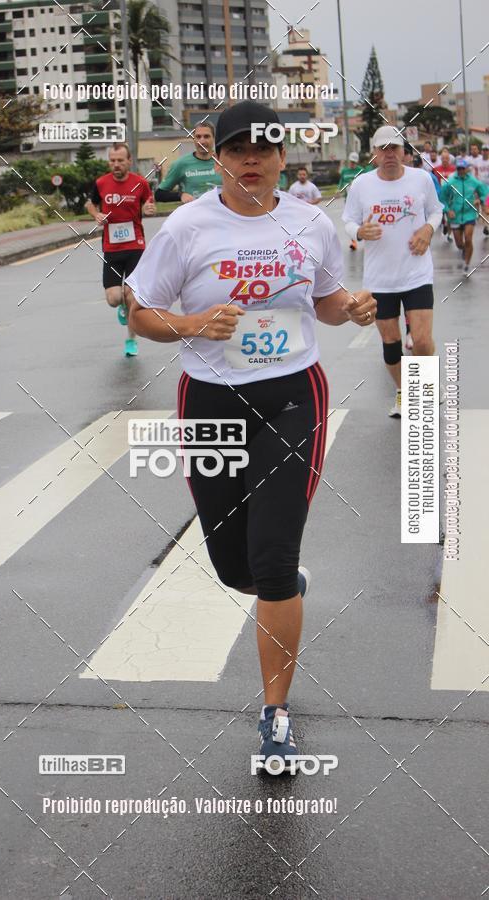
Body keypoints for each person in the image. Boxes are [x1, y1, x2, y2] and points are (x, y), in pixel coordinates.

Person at [125, 100, 376, 774]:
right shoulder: (186, 228)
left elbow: (324, 300)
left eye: (264, 150)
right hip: (210, 400)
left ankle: (275, 717)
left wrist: (349, 309)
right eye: (239, 150)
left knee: (267, 563)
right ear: (219, 157)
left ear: (281, 159)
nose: (252, 162)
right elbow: (142, 313)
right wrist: (193, 323)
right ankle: (283, 583)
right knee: (236, 568)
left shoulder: (310, 222)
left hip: (293, 395)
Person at [343, 125, 444, 418]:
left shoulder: (421, 179)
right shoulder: (362, 185)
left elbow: (436, 211)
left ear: (403, 151)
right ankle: (403, 392)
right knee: (391, 342)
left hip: (417, 273)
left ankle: (425, 389)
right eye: (383, 149)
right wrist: (359, 231)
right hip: (380, 279)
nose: (389, 154)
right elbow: (348, 220)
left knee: (422, 340)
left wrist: (428, 228)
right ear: (374, 153)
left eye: (394, 148)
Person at [86, 143, 156, 357]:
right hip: (111, 248)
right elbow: (90, 203)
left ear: (129, 161)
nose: (116, 164)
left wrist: (148, 208)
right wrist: (95, 214)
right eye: (112, 160)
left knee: (132, 296)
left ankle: (130, 340)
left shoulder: (140, 183)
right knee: (115, 298)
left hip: (136, 247)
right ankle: (122, 307)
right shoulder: (101, 183)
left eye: (120, 160)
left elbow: (149, 202)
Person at [440, 157, 489, 273]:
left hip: (469, 214)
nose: (461, 170)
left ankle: (467, 264)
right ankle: (463, 250)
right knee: (459, 243)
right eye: (459, 168)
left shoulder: (473, 181)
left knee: (468, 239)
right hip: (455, 216)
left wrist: (480, 200)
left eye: (463, 168)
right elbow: (443, 198)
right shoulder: (451, 182)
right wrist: (448, 210)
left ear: (467, 169)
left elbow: (485, 192)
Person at [155, 122, 222, 203]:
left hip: (220, 214)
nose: (202, 141)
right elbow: (159, 194)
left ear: (214, 138)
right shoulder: (181, 164)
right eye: (198, 137)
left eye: (206, 136)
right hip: (194, 214)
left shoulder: (224, 161)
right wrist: (180, 195)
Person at [337, 152, 366, 250]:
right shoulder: (345, 171)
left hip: (360, 199)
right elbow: (341, 181)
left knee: (362, 219)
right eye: (351, 161)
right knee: (351, 220)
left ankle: (365, 237)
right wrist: (339, 189)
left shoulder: (361, 170)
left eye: (354, 162)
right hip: (348, 199)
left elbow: (365, 182)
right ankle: (353, 242)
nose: (352, 163)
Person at [475, 145, 489, 236]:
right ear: (481, 151)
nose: (485, 152)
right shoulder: (478, 161)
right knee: (484, 207)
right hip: (481, 186)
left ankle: (486, 225)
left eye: (487, 150)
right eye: (484, 150)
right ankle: (486, 225)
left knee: (486, 207)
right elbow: (476, 173)